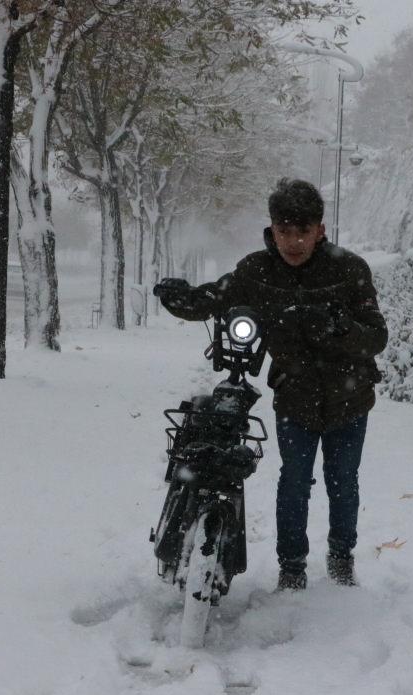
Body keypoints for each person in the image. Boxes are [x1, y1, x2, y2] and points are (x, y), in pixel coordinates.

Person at [154, 178, 388, 591]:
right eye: (284, 231)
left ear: (320, 229)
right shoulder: (256, 272)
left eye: (302, 232)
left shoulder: (349, 270)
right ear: (272, 228)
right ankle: (292, 566)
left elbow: (376, 336)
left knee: (342, 481)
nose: (293, 242)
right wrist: (182, 299)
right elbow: (216, 298)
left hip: (349, 399)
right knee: (294, 482)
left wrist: (339, 326)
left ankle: (340, 559)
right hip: (295, 396)